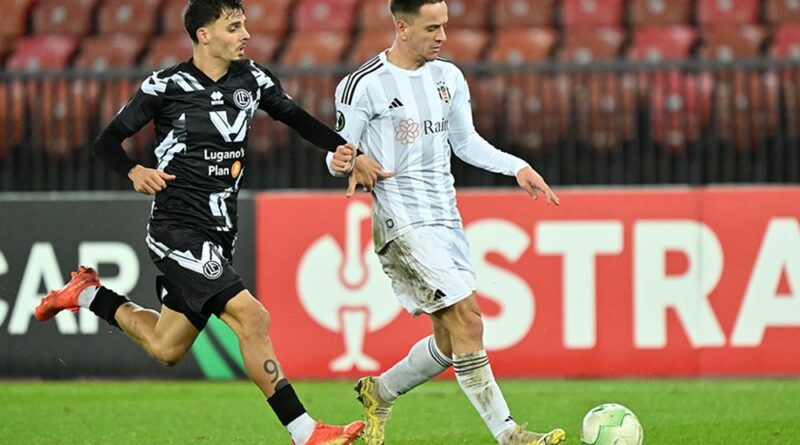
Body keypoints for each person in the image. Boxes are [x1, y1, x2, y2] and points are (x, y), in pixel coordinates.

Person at [33, 1, 365, 444]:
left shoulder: (253, 79)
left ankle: (88, 294)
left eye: (244, 24)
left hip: (220, 230)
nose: (246, 34)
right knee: (253, 318)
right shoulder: (166, 86)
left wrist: (345, 151)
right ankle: (305, 432)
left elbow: (299, 120)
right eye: (234, 27)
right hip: (176, 228)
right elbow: (106, 142)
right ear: (204, 35)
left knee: (166, 347)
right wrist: (134, 171)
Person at [326, 1, 565, 444]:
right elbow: (337, 154)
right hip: (401, 221)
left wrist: (516, 166)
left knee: (451, 338)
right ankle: (509, 434)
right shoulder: (363, 84)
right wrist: (350, 161)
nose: (442, 37)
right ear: (402, 27)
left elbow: (465, 142)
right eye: (431, 28)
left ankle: (380, 392)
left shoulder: (448, 77)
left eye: (445, 26)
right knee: (469, 320)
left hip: (446, 219)